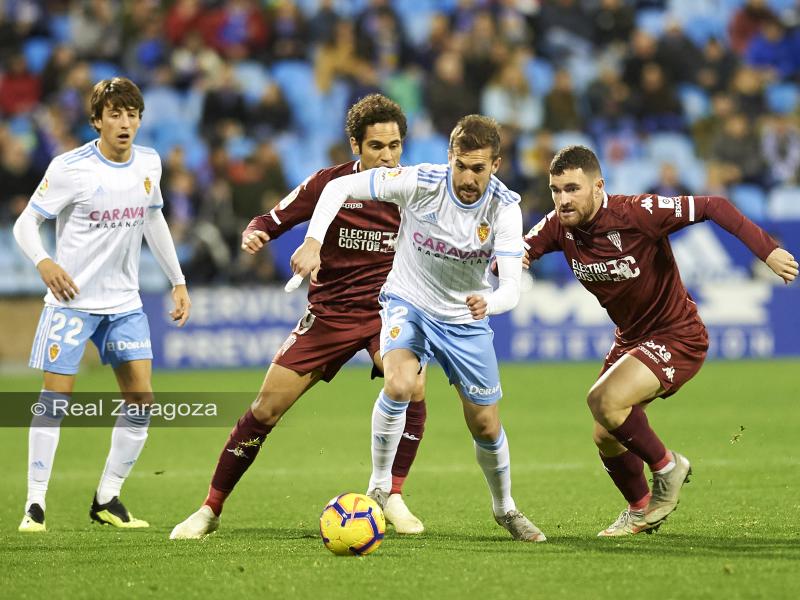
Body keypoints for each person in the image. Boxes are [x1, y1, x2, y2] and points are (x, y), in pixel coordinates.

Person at [170, 94, 428, 539]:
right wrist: (255, 235)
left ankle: (393, 494)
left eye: (395, 145)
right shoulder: (327, 185)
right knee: (265, 409)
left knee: (410, 385)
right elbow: (269, 219)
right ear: (355, 145)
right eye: (377, 147)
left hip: (387, 310)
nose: (388, 157)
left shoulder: (414, 190)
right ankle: (209, 509)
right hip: (328, 314)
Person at [290, 115, 546, 542]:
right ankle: (378, 485)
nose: (467, 177)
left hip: (467, 316)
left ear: (496, 165)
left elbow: (512, 290)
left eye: (478, 168)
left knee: (484, 424)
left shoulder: (505, 208)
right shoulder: (420, 182)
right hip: (409, 301)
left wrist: (491, 302)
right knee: (399, 383)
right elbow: (338, 187)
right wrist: (314, 240)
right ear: (449, 157)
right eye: (460, 165)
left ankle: (505, 509)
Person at [522, 145, 797, 536]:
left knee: (602, 400)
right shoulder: (557, 225)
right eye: (556, 190)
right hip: (632, 338)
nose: (563, 200)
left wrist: (766, 250)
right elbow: (517, 253)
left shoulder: (637, 213)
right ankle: (640, 510)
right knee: (606, 433)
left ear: (598, 186)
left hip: (677, 334)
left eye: (572, 188)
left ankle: (668, 467)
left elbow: (714, 205)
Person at [13, 77, 191, 532]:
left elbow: (155, 220)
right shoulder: (71, 168)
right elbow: (25, 225)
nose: (125, 122)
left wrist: (177, 280)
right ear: (96, 121)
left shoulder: (149, 163)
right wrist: (44, 263)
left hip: (124, 303)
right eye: (115, 114)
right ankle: (35, 504)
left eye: (132, 114)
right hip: (71, 301)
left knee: (141, 398)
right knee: (55, 399)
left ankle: (108, 497)